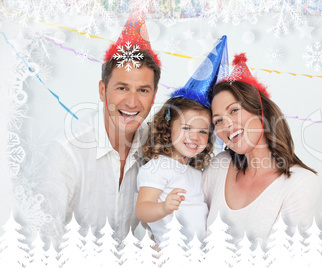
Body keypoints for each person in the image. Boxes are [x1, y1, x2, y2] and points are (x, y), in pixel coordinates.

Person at [37, 12, 161, 246]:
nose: (132, 103)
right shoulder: (67, 149)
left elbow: (166, 228)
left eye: (143, 90)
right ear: (103, 91)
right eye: (122, 88)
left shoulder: (155, 148)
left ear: (154, 97)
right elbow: (42, 240)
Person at [202, 53, 321, 247]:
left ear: (260, 110)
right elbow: (185, 220)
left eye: (234, 110)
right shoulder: (220, 165)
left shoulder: (302, 183)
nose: (227, 125)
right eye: (218, 120)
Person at [136, 35, 228, 246]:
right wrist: (163, 208)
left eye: (203, 131)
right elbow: (142, 209)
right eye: (186, 128)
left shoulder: (197, 173)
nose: (195, 136)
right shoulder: (158, 167)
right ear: (168, 127)